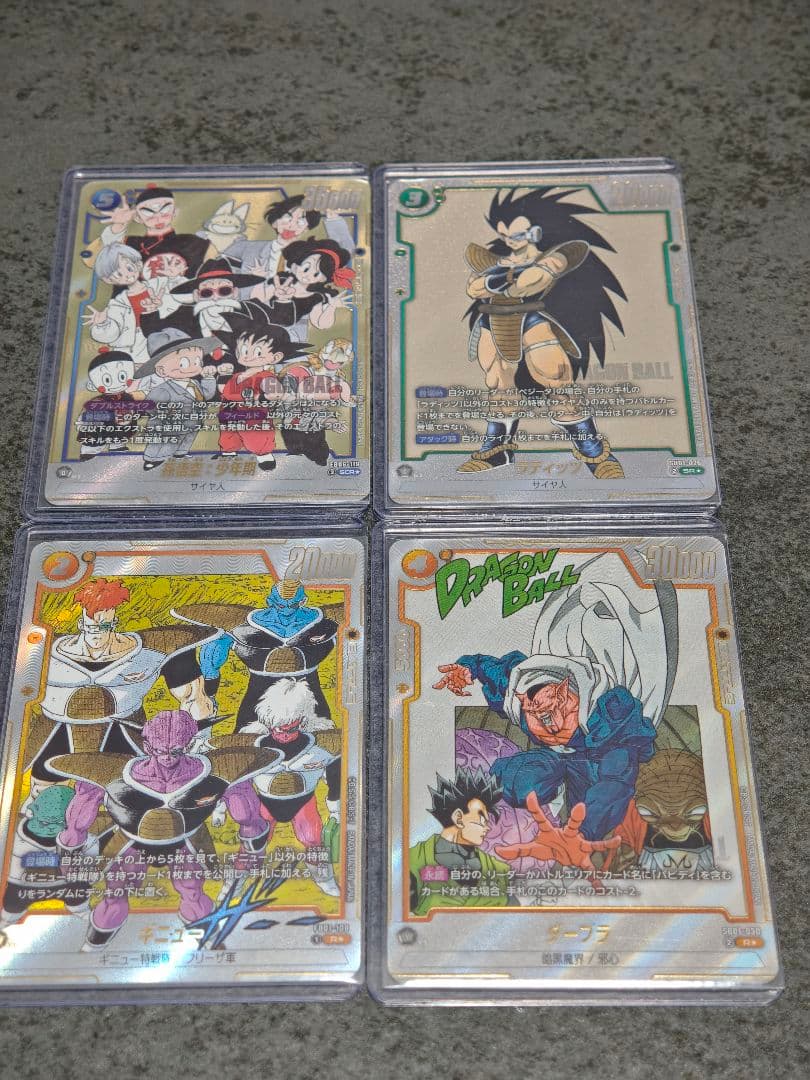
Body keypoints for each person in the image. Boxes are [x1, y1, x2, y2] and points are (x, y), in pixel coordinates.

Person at [53, 709, 279, 950]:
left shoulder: (219, 770)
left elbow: (247, 815)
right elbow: (78, 820)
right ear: (147, 745)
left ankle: (208, 943)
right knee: (114, 895)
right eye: (160, 751)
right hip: (132, 843)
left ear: (189, 744)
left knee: (193, 893)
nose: (168, 758)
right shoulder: (110, 772)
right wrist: (70, 855)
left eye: (176, 751)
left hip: (185, 842)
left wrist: (252, 849)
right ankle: (92, 949)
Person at [459, 187, 626, 478]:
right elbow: (474, 288)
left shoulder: (554, 256)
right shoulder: (496, 260)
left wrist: (502, 280)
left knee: (557, 380)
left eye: (517, 233)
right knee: (498, 384)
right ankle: (497, 452)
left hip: (533, 318)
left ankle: (594, 453)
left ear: (536, 230)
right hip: (493, 321)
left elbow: (530, 283)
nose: (509, 239)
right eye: (504, 233)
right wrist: (505, 277)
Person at [25, 577, 217, 793]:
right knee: (45, 800)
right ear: (81, 623)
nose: (97, 633)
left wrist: (197, 746)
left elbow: (194, 699)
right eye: (91, 626)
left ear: (114, 622)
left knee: (131, 796)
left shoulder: (154, 649)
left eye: (105, 626)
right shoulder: (45, 648)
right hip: (57, 731)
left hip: (123, 732)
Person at [228, 678, 342, 897]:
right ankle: (235, 883)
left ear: (302, 720)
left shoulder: (319, 746)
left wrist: (335, 804)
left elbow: (335, 768)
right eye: (279, 729)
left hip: (303, 801)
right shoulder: (255, 747)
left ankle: (325, 879)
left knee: (313, 839)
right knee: (253, 843)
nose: (284, 735)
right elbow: (235, 778)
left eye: (291, 728)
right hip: (265, 803)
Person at [216, 306, 312, 472]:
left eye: (258, 351)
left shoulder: (265, 376)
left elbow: (276, 393)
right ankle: (229, 451)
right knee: (229, 434)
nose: (247, 355)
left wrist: (262, 398)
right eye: (243, 349)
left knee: (256, 436)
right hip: (229, 412)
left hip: (253, 414)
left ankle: (264, 455)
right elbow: (225, 391)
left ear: (276, 357)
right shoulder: (236, 375)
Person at [409, 768, 511, 915]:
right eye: (482, 820)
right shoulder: (414, 860)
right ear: (458, 818)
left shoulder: (498, 869)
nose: (487, 827)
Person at [139, 328, 222, 470]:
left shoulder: (194, 383)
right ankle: (152, 459)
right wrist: (165, 412)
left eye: (197, 361)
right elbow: (150, 406)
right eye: (183, 363)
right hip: (169, 425)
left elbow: (206, 395)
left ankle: (181, 453)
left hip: (194, 421)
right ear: (161, 370)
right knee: (164, 443)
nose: (193, 367)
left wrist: (208, 379)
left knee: (187, 438)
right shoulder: (164, 389)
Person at [97, 185, 208, 276]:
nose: (158, 217)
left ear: (175, 212)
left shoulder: (192, 241)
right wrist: (119, 224)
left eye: (164, 210)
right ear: (137, 218)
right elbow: (106, 250)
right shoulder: (130, 243)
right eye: (148, 212)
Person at [81, 243, 160, 366]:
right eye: (118, 275)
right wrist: (102, 324)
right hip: (132, 347)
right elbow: (111, 334)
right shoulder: (117, 304)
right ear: (108, 280)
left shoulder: (157, 286)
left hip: (159, 338)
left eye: (129, 268)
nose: (127, 275)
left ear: (138, 264)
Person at [75, 348, 145, 461]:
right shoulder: (98, 401)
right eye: (107, 380)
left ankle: (117, 445)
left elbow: (136, 409)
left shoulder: (127, 397)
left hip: (121, 426)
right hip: (102, 428)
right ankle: (89, 450)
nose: (117, 383)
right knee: (95, 438)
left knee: (121, 433)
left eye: (122, 376)